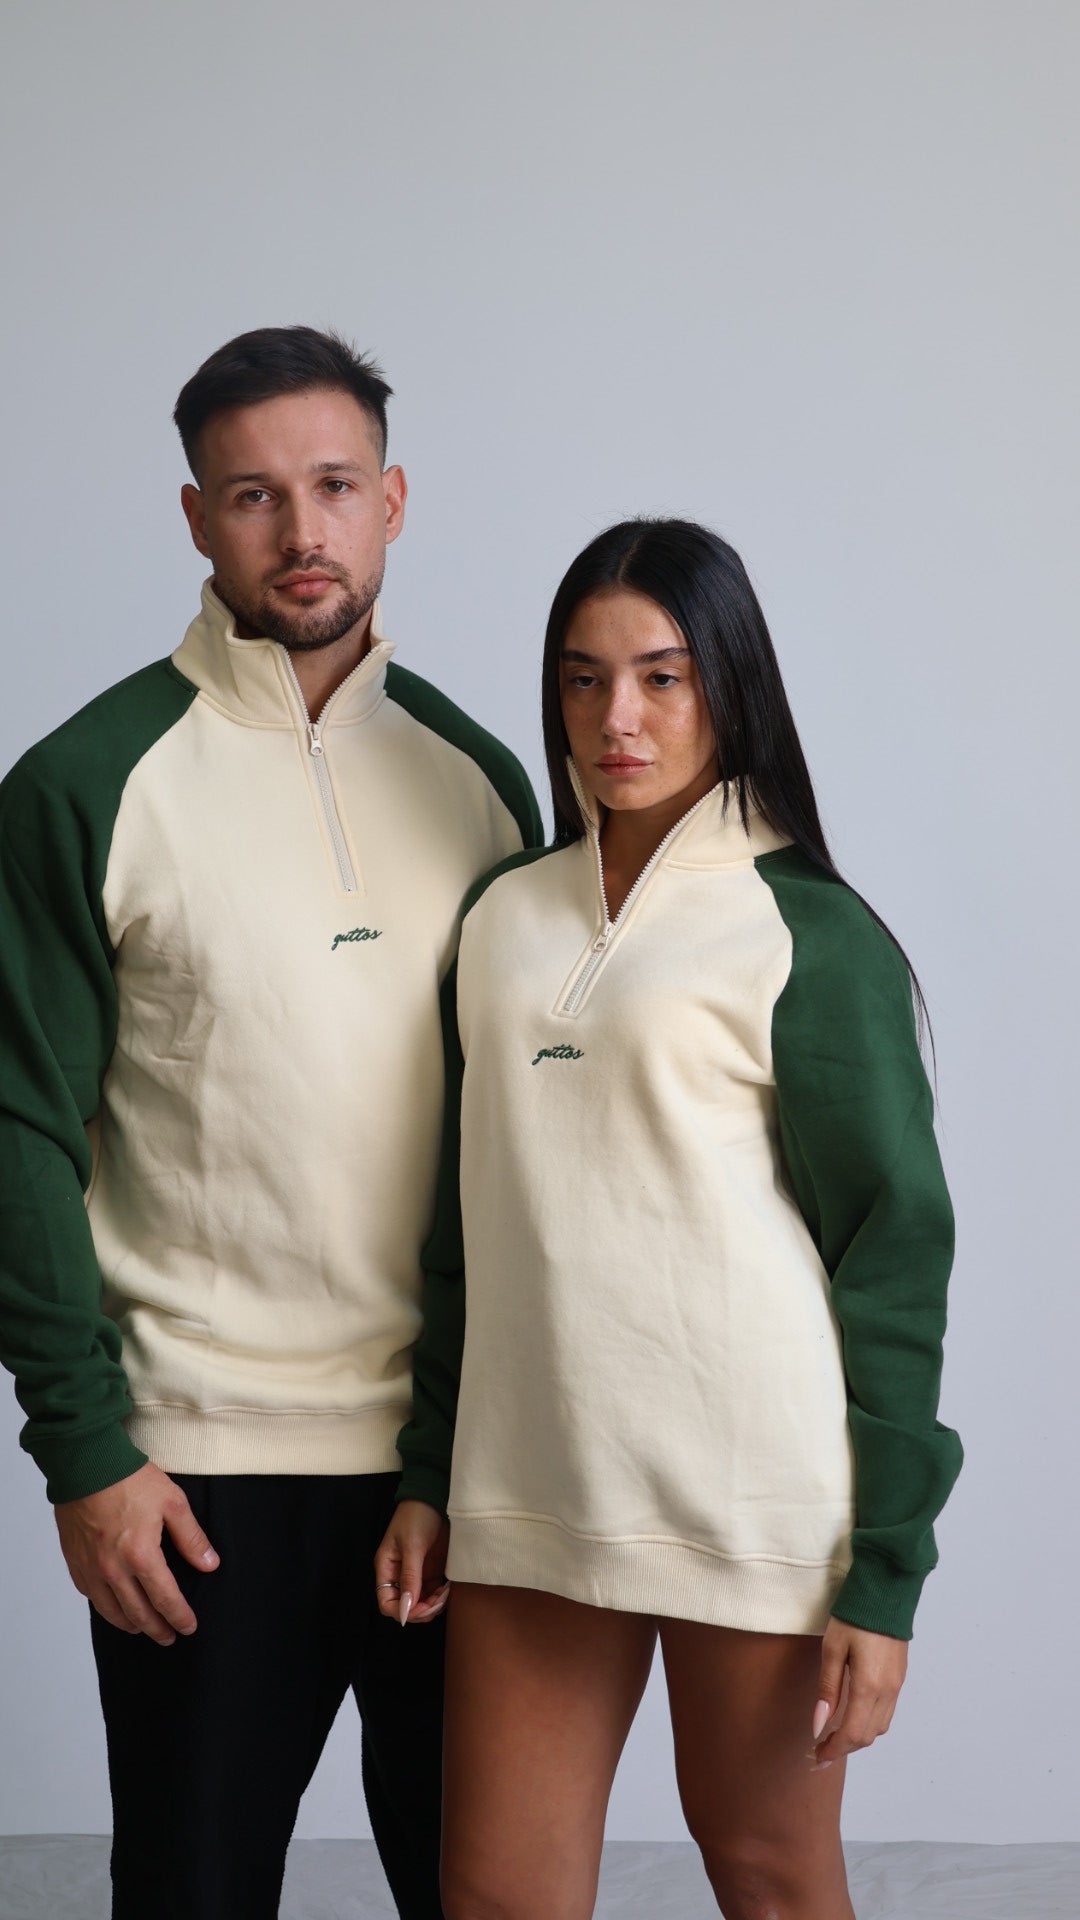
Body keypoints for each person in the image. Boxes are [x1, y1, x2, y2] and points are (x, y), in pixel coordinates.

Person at [0, 325, 541, 1920]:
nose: (301, 531)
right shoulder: (86, 784)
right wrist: (85, 1453)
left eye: (333, 486)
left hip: (455, 1468)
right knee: (193, 1892)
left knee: (482, 1893)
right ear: (195, 517)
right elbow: (20, 1130)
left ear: (393, 500)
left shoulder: (482, 781)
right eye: (252, 496)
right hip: (198, 1473)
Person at [377, 518, 963, 1920]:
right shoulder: (501, 917)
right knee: (497, 1896)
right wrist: (428, 1470)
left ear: (729, 684)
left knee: (769, 1877)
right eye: (583, 680)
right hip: (530, 1488)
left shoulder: (809, 932)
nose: (617, 719)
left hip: (753, 1505)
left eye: (662, 676)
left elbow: (892, 1259)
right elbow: (464, 1232)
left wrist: (885, 1577)